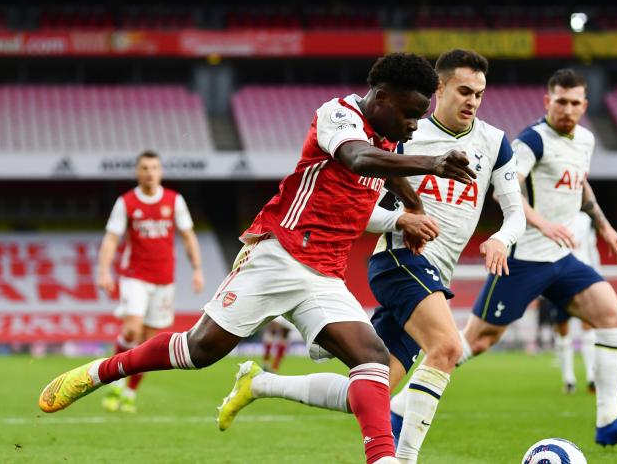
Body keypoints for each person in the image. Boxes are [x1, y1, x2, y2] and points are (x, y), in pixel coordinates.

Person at [38, 52, 477, 464]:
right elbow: (359, 158)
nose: (415, 126)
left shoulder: (390, 139)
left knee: (372, 360)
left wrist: (411, 211)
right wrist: (432, 163)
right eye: (409, 114)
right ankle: (101, 372)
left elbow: (387, 170)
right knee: (200, 349)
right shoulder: (339, 115)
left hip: (324, 275)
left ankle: (383, 459)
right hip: (278, 254)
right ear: (381, 98)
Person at [457, 68, 617, 446]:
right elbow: (503, 190)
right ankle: (403, 405)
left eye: (574, 102)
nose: (567, 109)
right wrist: (542, 223)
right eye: (559, 101)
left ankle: (609, 421)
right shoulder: (533, 140)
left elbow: (579, 183)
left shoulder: (586, 141)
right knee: (475, 341)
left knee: (611, 315)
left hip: (562, 259)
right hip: (524, 256)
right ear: (547, 102)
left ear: (585, 105)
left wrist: (603, 225)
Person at [366, 49, 524, 463]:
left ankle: (260, 385)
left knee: (367, 389)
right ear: (440, 88)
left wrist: (501, 240)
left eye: (480, 94)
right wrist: (401, 221)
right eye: (465, 91)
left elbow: (516, 216)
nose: (473, 101)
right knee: (449, 348)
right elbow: (361, 210)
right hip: (399, 260)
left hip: (435, 275)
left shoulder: (494, 143)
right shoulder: (405, 135)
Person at [96, 150, 205, 413]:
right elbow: (112, 238)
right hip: (135, 276)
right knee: (132, 330)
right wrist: (103, 271)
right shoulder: (127, 202)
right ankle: (115, 384)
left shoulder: (174, 200)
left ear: (160, 171)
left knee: (147, 342)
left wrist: (198, 268)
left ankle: (130, 393)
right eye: (144, 168)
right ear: (137, 172)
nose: (150, 172)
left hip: (164, 279)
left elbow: (188, 235)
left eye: (154, 167)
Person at [546, 211, 598, 395]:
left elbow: (592, 248)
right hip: (559, 278)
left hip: (582, 277)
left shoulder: (585, 219)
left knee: (588, 327)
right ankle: (569, 379)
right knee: (563, 329)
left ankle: (591, 377)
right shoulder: (552, 216)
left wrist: (596, 276)